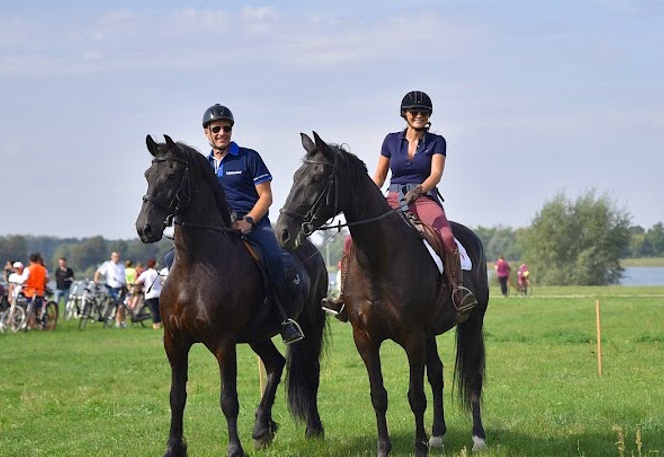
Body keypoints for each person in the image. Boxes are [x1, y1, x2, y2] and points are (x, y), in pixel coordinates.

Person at [322, 90, 478, 321]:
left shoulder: (437, 142)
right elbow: (379, 177)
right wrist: (366, 198)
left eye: (424, 112)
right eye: (414, 112)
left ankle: (457, 292)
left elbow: (436, 173)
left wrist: (420, 190)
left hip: (424, 197)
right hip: (393, 197)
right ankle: (343, 297)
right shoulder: (391, 140)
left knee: (446, 237)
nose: (419, 116)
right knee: (349, 240)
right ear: (405, 114)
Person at [201, 102, 303, 344]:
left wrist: (247, 221)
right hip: (217, 230)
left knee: (275, 259)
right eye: (216, 129)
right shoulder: (203, 165)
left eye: (226, 128)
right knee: (174, 259)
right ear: (207, 132)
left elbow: (266, 196)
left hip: (254, 225)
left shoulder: (249, 157)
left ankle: (284, 319)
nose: (222, 133)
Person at [94, 251, 127, 327]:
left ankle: (122, 320)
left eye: (118, 256)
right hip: (112, 288)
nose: (117, 258)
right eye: (115, 256)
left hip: (121, 287)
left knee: (122, 305)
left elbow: (124, 278)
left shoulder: (121, 266)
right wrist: (96, 280)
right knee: (120, 304)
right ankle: (118, 322)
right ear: (111, 257)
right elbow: (98, 272)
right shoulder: (107, 265)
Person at [22, 253, 48, 329]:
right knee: (39, 308)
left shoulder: (28, 269)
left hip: (29, 292)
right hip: (40, 291)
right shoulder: (43, 269)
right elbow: (47, 279)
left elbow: (24, 280)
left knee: (30, 307)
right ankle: (41, 321)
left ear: (30, 260)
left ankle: (32, 324)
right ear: (38, 260)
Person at [135, 258, 163, 330]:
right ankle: (159, 324)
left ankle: (155, 325)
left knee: (154, 311)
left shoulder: (146, 273)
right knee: (158, 310)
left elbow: (137, 282)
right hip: (159, 293)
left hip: (150, 294)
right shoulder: (158, 273)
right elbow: (162, 282)